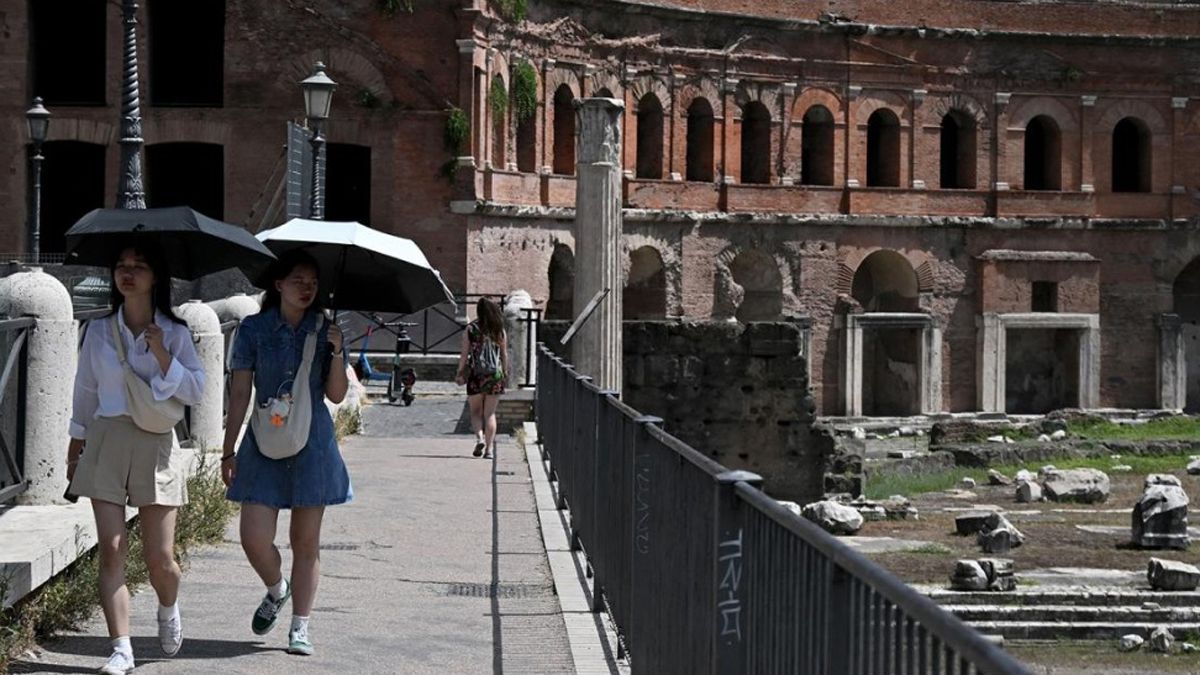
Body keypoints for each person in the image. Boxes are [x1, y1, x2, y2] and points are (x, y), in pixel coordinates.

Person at [66, 242, 206, 675]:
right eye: (121, 266)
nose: (127, 273)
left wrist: (162, 352)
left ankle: (168, 606)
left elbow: (197, 392)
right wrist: (75, 443)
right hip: (106, 438)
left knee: (160, 559)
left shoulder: (176, 332)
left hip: (155, 441)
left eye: (138, 266)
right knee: (111, 549)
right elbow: (86, 389)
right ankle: (121, 648)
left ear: (156, 277)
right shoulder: (98, 330)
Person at [221, 249, 351, 657]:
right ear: (278, 285)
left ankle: (300, 626)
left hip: (313, 443)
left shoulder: (325, 329)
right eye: (297, 280)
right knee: (253, 537)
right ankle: (277, 589)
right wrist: (228, 450)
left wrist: (338, 351)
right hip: (263, 439)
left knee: (306, 541)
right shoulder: (254, 329)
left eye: (312, 282)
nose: (306, 288)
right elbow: (240, 391)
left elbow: (336, 394)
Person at [455, 297, 509, 458]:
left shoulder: (471, 329)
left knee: (476, 412)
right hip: (495, 375)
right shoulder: (499, 329)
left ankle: (479, 438)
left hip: (476, 374)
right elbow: (504, 355)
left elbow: (464, 354)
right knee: (490, 414)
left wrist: (459, 372)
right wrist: (505, 372)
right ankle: (489, 450)